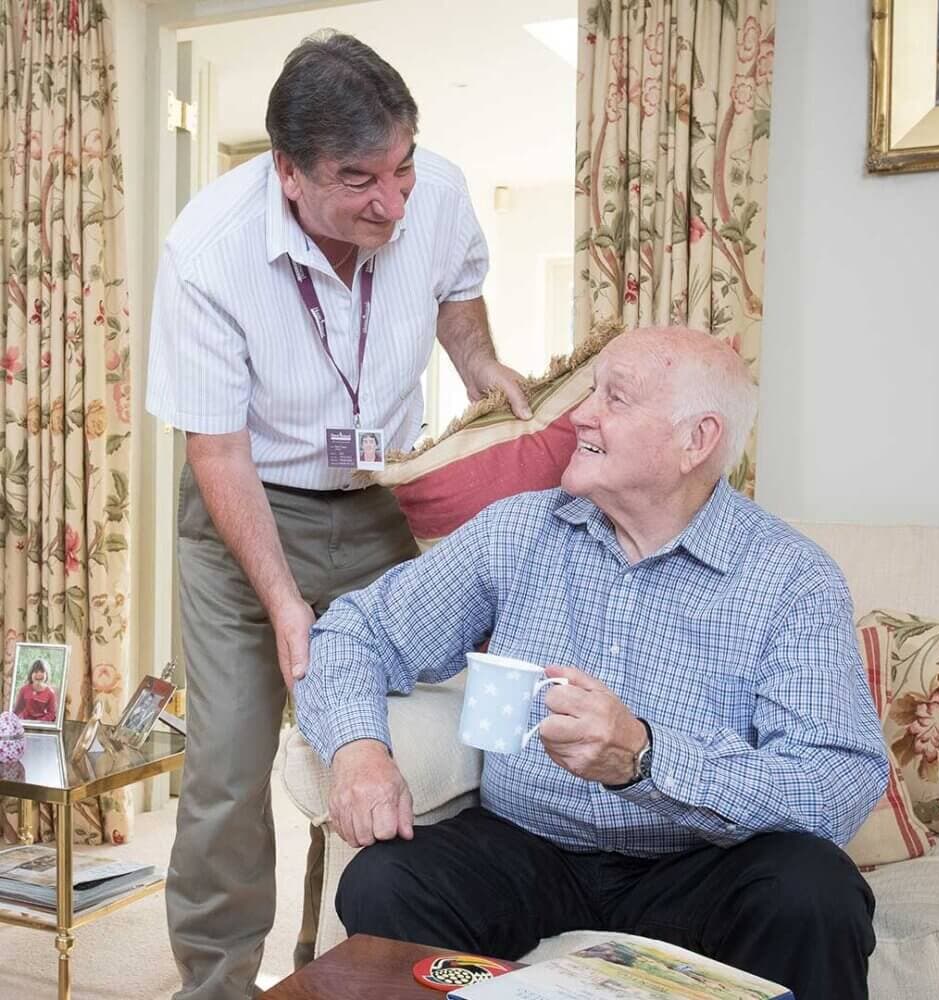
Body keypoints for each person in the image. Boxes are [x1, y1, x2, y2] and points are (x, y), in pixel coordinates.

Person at [296, 327, 891, 1000]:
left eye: (615, 398)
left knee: (815, 893)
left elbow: (835, 783)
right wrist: (359, 752)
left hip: (702, 861)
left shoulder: (791, 579)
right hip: (528, 845)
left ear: (696, 440)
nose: (581, 415)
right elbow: (354, 631)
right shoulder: (519, 531)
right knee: (385, 882)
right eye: (591, 393)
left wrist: (646, 758)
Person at [145, 31, 530, 1000]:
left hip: (378, 501)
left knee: (396, 736)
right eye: (359, 180)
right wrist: (283, 604)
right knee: (228, 770)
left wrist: (480, 365)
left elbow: (459, 291)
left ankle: (359, 969)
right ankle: (216, 984)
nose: (391, 202)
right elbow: (218, 451)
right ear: (289, 172)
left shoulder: (436, 194)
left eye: (401, 167)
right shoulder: (209, 251)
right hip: (246, 512)